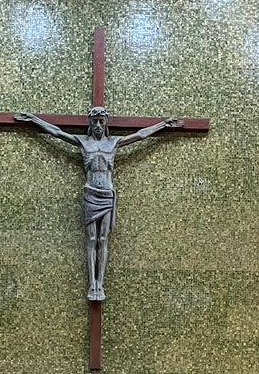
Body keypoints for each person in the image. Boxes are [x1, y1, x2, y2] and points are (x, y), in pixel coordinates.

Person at [12, 106, 183, 301]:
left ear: (106, 123)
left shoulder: (114, 143)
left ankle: (100, 284)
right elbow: (57, 133)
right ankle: (91, 283)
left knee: (103, 240)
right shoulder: (83, 142)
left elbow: (140, 135)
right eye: (95, 121)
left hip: (107, 193)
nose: (99, 125)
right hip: (90, 193)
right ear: (90, 123)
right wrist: (34, 119)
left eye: (102, 121)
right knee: (91, 240)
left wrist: (163, 124)